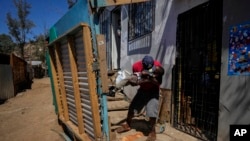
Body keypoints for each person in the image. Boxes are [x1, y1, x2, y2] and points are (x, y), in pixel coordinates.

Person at [116, 55, 164, 141]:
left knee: (152, 112)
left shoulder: (157, 66)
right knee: (132, 108)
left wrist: (150, 79)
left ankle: (152, 132)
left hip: (153, 91)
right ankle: (127, 125)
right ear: (143, 65)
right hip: (142, 90)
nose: (150, 70)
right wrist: (135, 82)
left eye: (151, 68)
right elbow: (136, 80)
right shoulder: (136, 66)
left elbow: (159, 82)